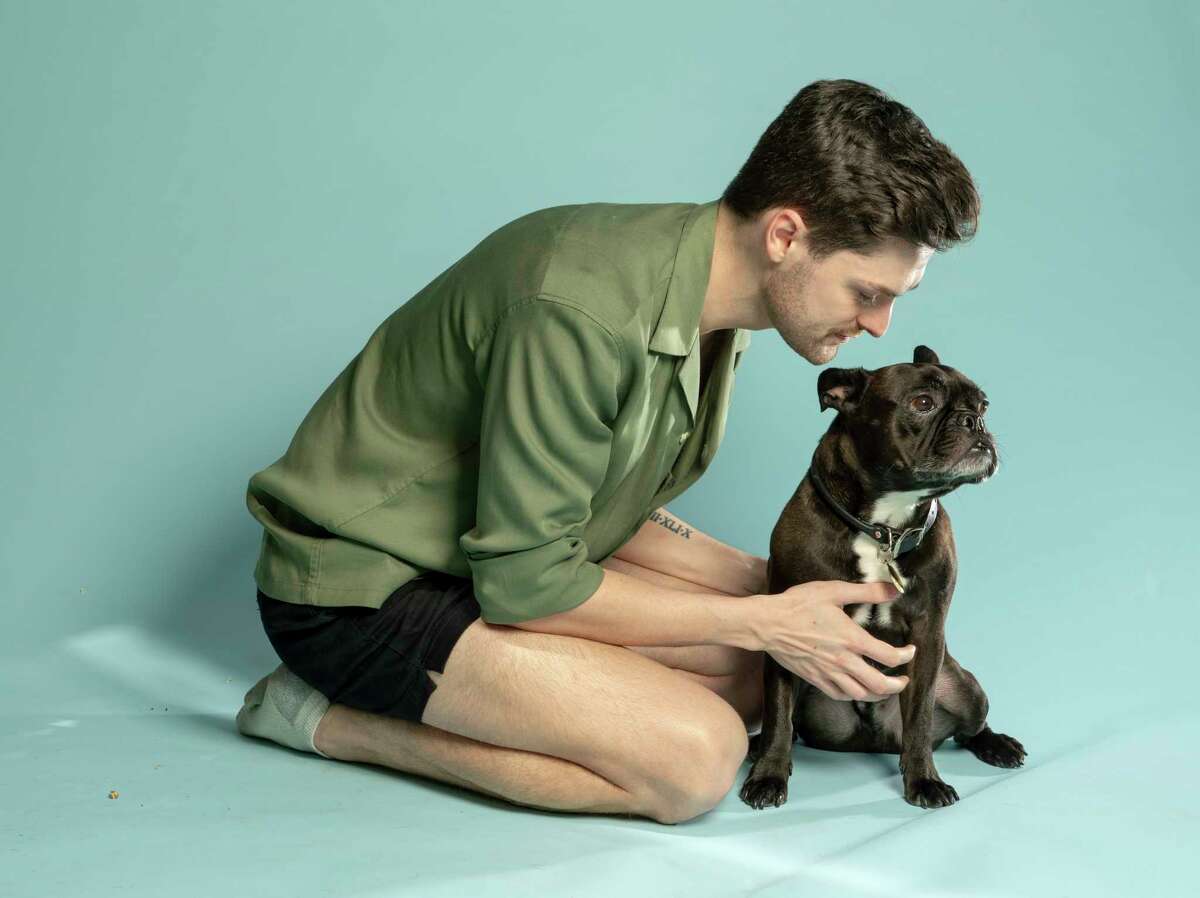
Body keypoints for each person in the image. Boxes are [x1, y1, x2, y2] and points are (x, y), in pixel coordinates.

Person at [235, 78, 980, 825]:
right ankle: (327, 719)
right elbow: (525, 581)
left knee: (778, 668)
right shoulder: (582, 311)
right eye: (867, 292)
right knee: (695, 763)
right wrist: (758, 620)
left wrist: (777, 587)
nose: (880, 327)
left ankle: (546, 692)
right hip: (357, 590)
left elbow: (597, 502)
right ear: (785, 236)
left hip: (481, 554)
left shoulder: (718, 306)